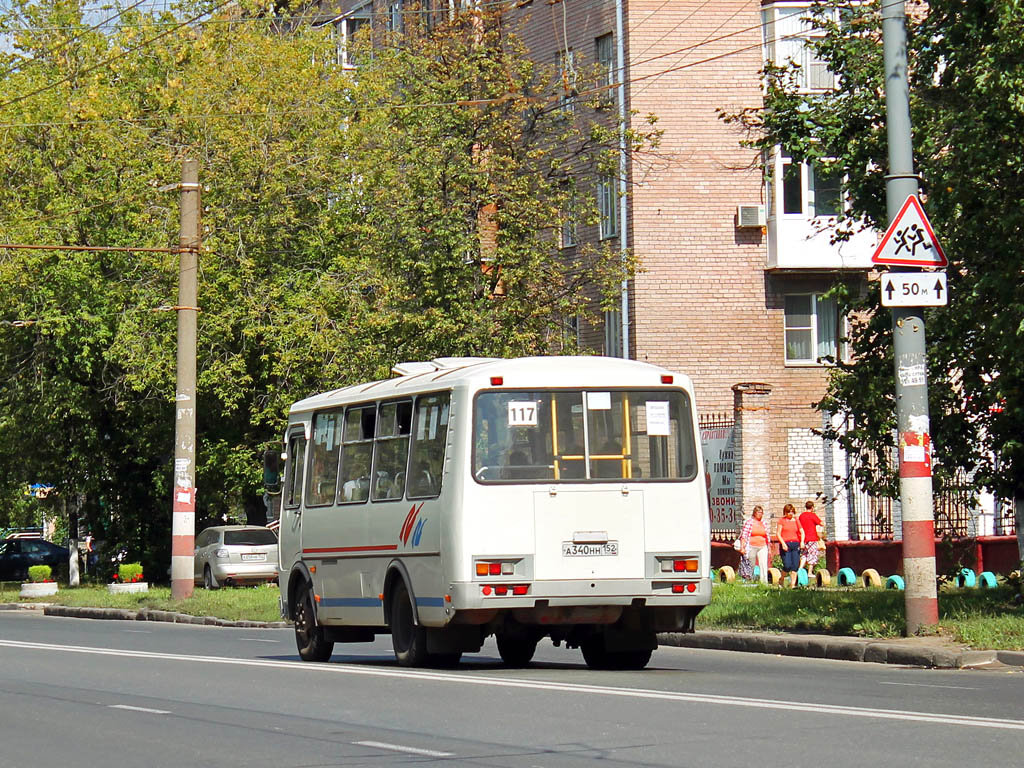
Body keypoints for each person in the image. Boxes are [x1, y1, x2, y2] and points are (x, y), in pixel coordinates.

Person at [738, 505, 769, 584]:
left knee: (763, 564)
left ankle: (764, 582)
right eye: (759, 512)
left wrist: (769, 548)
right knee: (751, 563)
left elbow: (767, 536)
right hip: (751, 545)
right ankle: (749, 580)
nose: (760, 514)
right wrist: (742, 547)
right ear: (755, 513)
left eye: (761, 513)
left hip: (763, 546)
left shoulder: (763, 523)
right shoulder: (749, 523)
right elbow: (744, 535)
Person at [776, 503, 804, 587]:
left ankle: (792, 585)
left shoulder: (796, 521)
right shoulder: (782, 521)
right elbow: (778, 533)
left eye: (792, 512)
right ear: (785, 512)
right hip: (786, 544)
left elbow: (802, 532)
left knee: (795, 566)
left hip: (795, 544)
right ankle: (781, 579)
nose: (790, 514)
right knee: (787, 565)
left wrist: (802, 542)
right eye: (788, 512)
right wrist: (783, 543)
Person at [799, 499, 825, 575]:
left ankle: (800, 569)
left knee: (804, 554)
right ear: (812, 507)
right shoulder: (812, 515)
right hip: (812, 538)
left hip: (803, 539)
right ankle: (809, 572)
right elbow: (821, 523)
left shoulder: (801, 516)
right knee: (812, 554)